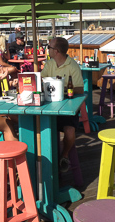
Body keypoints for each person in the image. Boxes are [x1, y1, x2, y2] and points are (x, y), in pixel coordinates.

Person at [40, 37, 84, 172]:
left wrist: (62, 89)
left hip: (66, 106)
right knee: (40, 128)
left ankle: (63, 155)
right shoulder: (49, 64)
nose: (48, 49)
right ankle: (45, 159)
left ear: (56, 51)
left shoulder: (72, 66)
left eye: (49, 47)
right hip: (48, 106)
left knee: (70, 131)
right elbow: (40, 80)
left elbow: (80, 89)